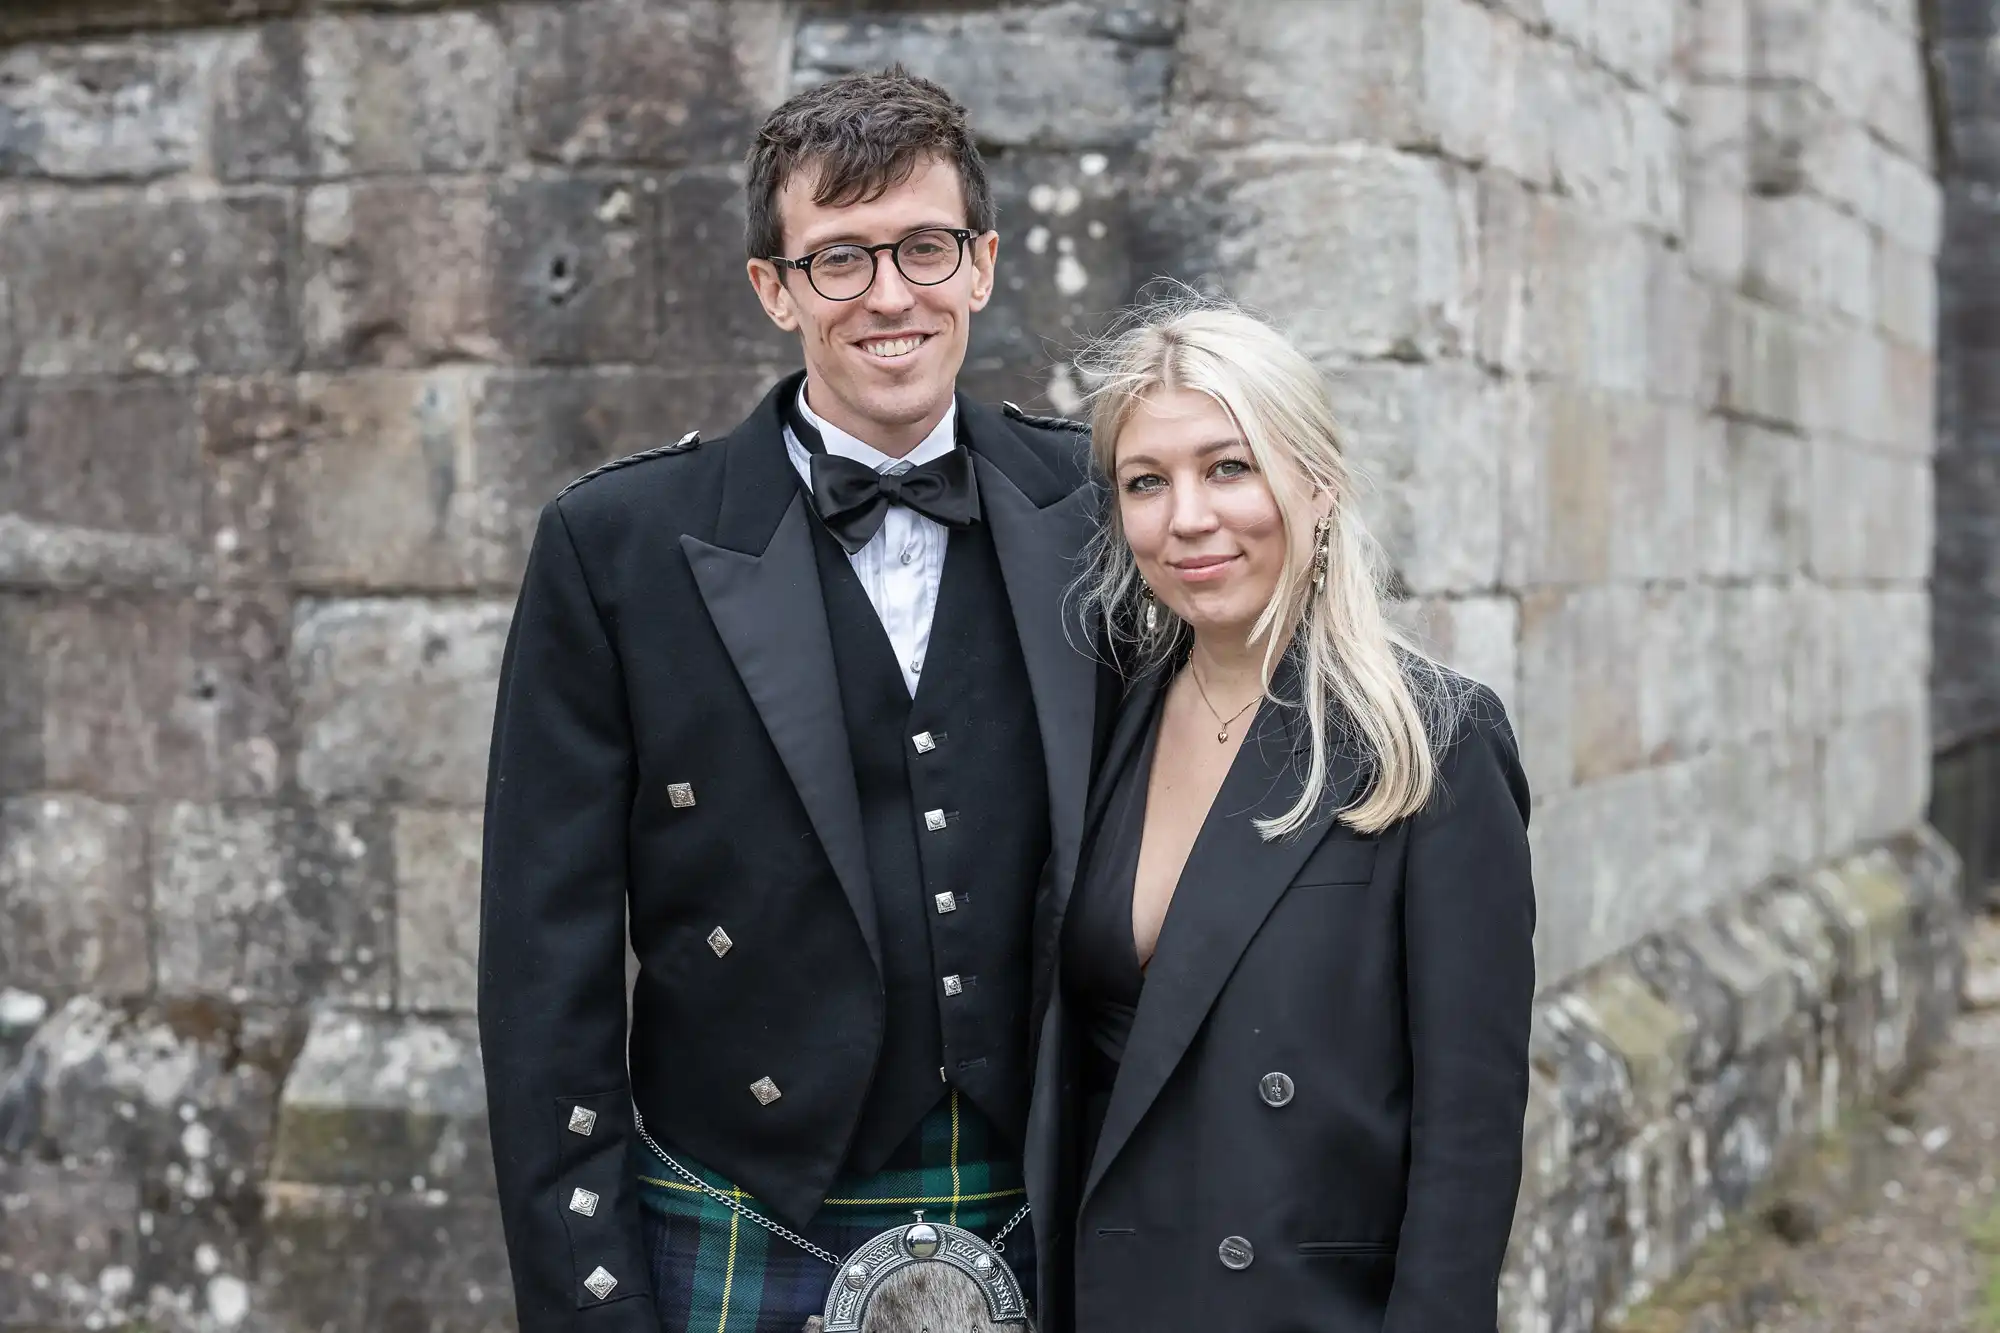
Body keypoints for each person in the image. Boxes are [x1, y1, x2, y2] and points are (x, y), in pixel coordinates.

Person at [479, 67, 1107, 1333]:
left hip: (1053, 1201)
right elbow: (544, 969)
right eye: (838, 259)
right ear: (773, 288)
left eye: (924, 246)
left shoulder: (1099, 507)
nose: (890, 293)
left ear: (980, 263)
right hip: (743, 1201)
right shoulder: (617, 546)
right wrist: (590, 1296)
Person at [1021, 298, 1536, 1333]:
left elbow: (1467, 1133)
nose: (1187, 519)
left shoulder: (1428, 738)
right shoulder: (1102, 720)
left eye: (1227, 467)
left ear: (1316, 481)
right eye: (1144, 483)